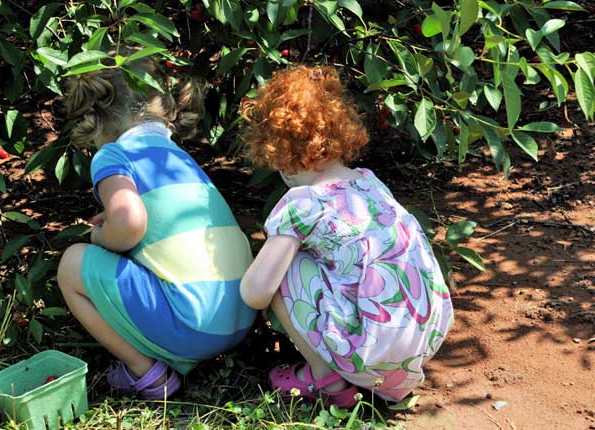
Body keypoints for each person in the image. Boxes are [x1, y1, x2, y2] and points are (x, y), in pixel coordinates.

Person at [239, 65, 454, 408]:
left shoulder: (302, 203)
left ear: (281, 154)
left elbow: (255, 292)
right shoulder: (369, 184)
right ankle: (381, 376)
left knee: (280, 267)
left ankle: (325, 376)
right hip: (421, 341)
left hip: (369, 351)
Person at [57, 59, 255, 400]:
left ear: (97, 116)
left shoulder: (113, 154)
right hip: (240, 317)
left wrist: (99, 236)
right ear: (165, 109)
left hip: (193, 325)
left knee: (73, 264)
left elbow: (129, 224)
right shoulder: (176, 155)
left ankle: (145, 372)